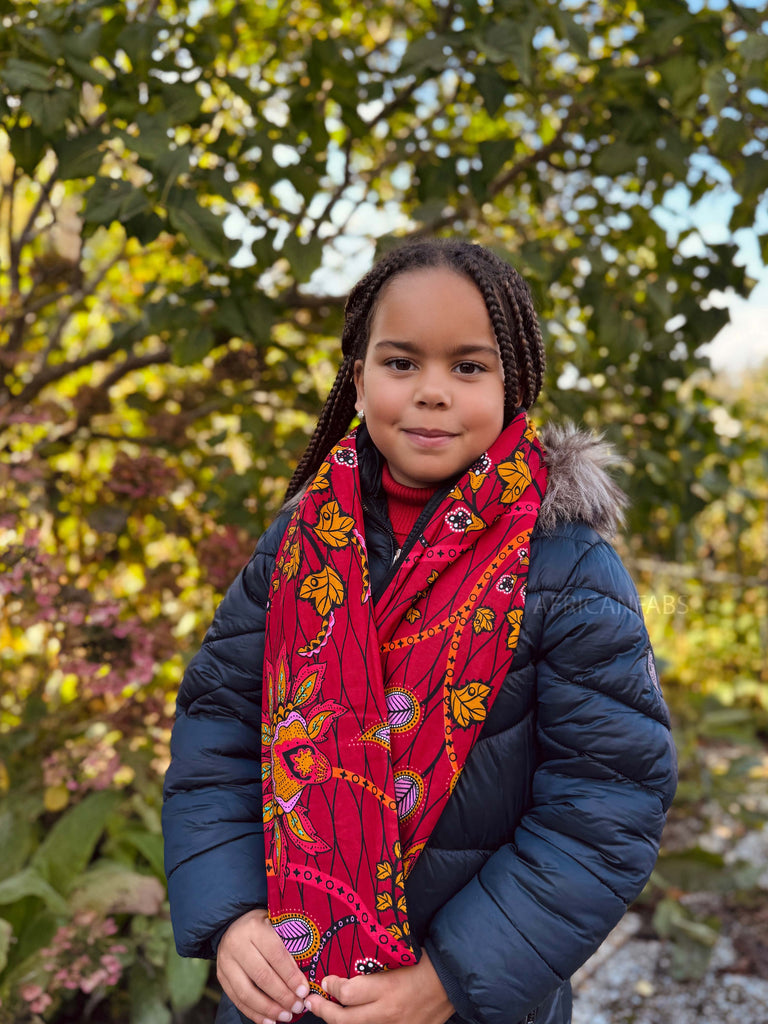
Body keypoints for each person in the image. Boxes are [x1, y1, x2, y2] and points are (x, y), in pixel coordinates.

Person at [162, 239, 677, 1024]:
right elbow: (216, 738)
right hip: (292, 988)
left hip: (472, 998)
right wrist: (232, 917)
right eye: (401, 362)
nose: (432, 392)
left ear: (513, 384)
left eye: (468, 367)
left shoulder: (568, 570)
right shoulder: (298, 545)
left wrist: (450, 978)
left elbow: (607, 803)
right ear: (358, 376)